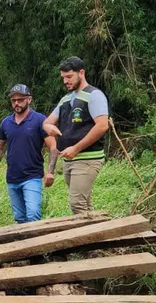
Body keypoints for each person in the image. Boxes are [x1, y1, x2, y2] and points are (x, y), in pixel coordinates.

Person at [42, 56, 110, 215]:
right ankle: (97, 236)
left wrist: (76, 148)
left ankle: (84, 238)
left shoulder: (94, 95)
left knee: (77, 204)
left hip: (87, 158)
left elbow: (102, 126)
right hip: (69, 160)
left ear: (81, 73)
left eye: (69, 76)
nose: (66, 81)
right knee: (84, 204)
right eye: (63, 77)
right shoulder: (65, 99)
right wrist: (49, 127)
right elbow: (47, 122)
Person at [0, 84, 56, 223]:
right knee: (20, 218)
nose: (16, 103)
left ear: (29, 99)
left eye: (20, 99)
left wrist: (50, 172)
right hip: (12, 178)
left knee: (33, 215)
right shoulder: (6, 123)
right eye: (13, 100)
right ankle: (24, 244)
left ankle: (37, 244)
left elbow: (53, 146)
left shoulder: (40, 120)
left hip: (32, 176)